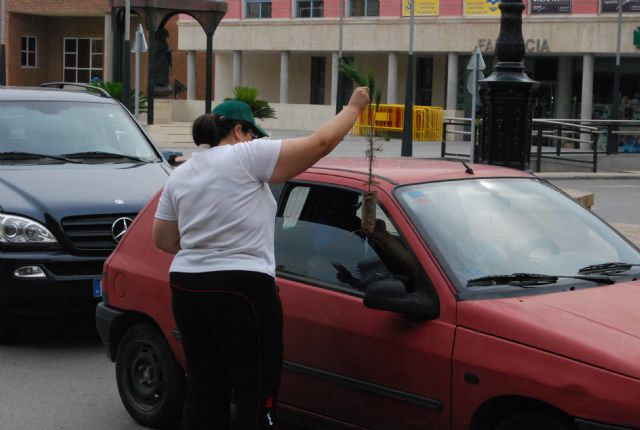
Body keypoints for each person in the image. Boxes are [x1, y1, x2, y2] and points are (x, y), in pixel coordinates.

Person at [152, 87, 370, 430]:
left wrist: (207, 246)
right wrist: (354, 108)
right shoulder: (245, 155)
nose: (255, 139)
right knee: (256, 392)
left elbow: (162, 239)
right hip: (241, 288)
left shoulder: (182, 173)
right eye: (253, 132)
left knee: (205, 389)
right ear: (240, 131)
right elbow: (319, 145)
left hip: (187, 286)